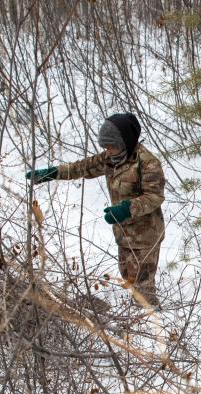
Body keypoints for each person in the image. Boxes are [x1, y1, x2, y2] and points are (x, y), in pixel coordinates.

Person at [26, 113, 166, 306]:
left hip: (146, 234)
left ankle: (152, 321)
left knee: (143, 287)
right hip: (123, 230)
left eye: (112, 146)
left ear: (125, 141)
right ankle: (139, 315)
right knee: (128, 277)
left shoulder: (147, 163)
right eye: (105, 147)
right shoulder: (110, 158)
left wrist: (127, 208)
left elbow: (154, 196)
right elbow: (81, 167)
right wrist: (52, 173)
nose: (108, 151)